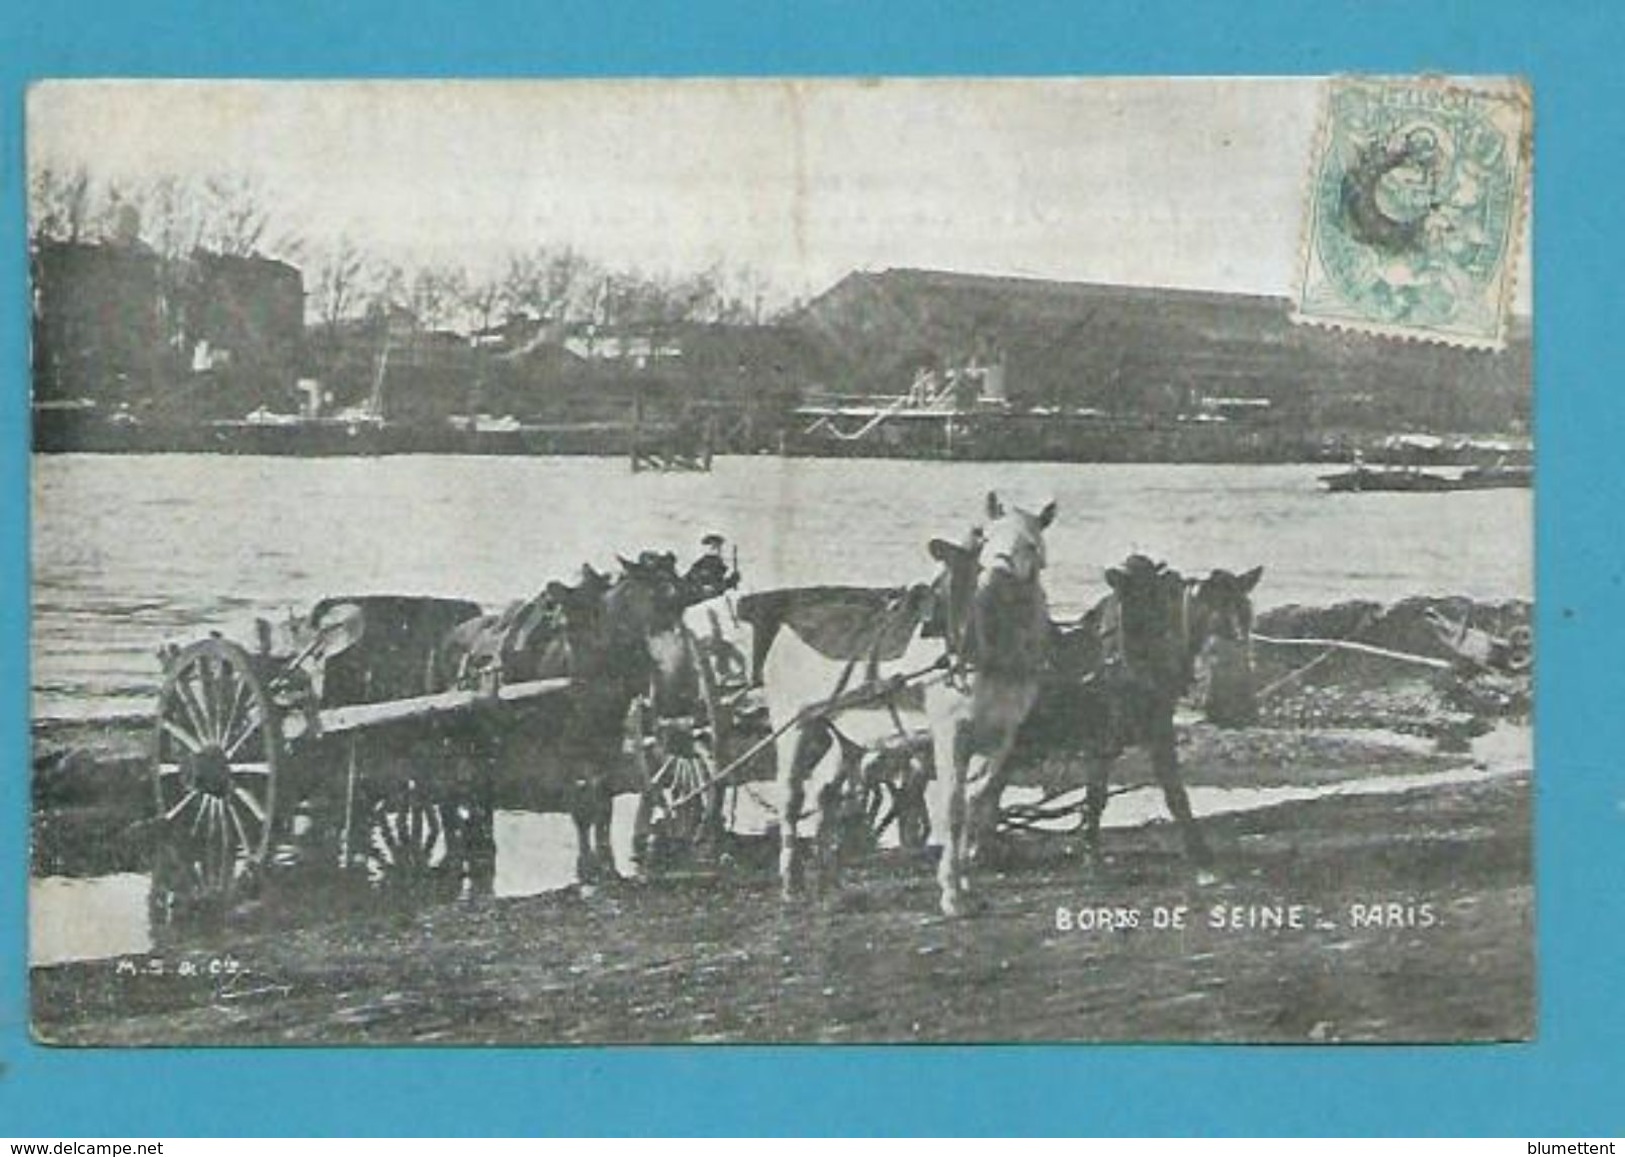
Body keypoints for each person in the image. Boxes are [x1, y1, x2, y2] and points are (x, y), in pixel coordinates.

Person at [682, 533, 739, 604]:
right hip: (699, 602)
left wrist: (730, 582)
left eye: (718, 547)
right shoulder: (704, 565)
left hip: (707, 602)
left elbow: (714, 588)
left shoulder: (714, 565)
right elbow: (710, 589)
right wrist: (729, 583)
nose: (719, 550)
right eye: (715, 546)